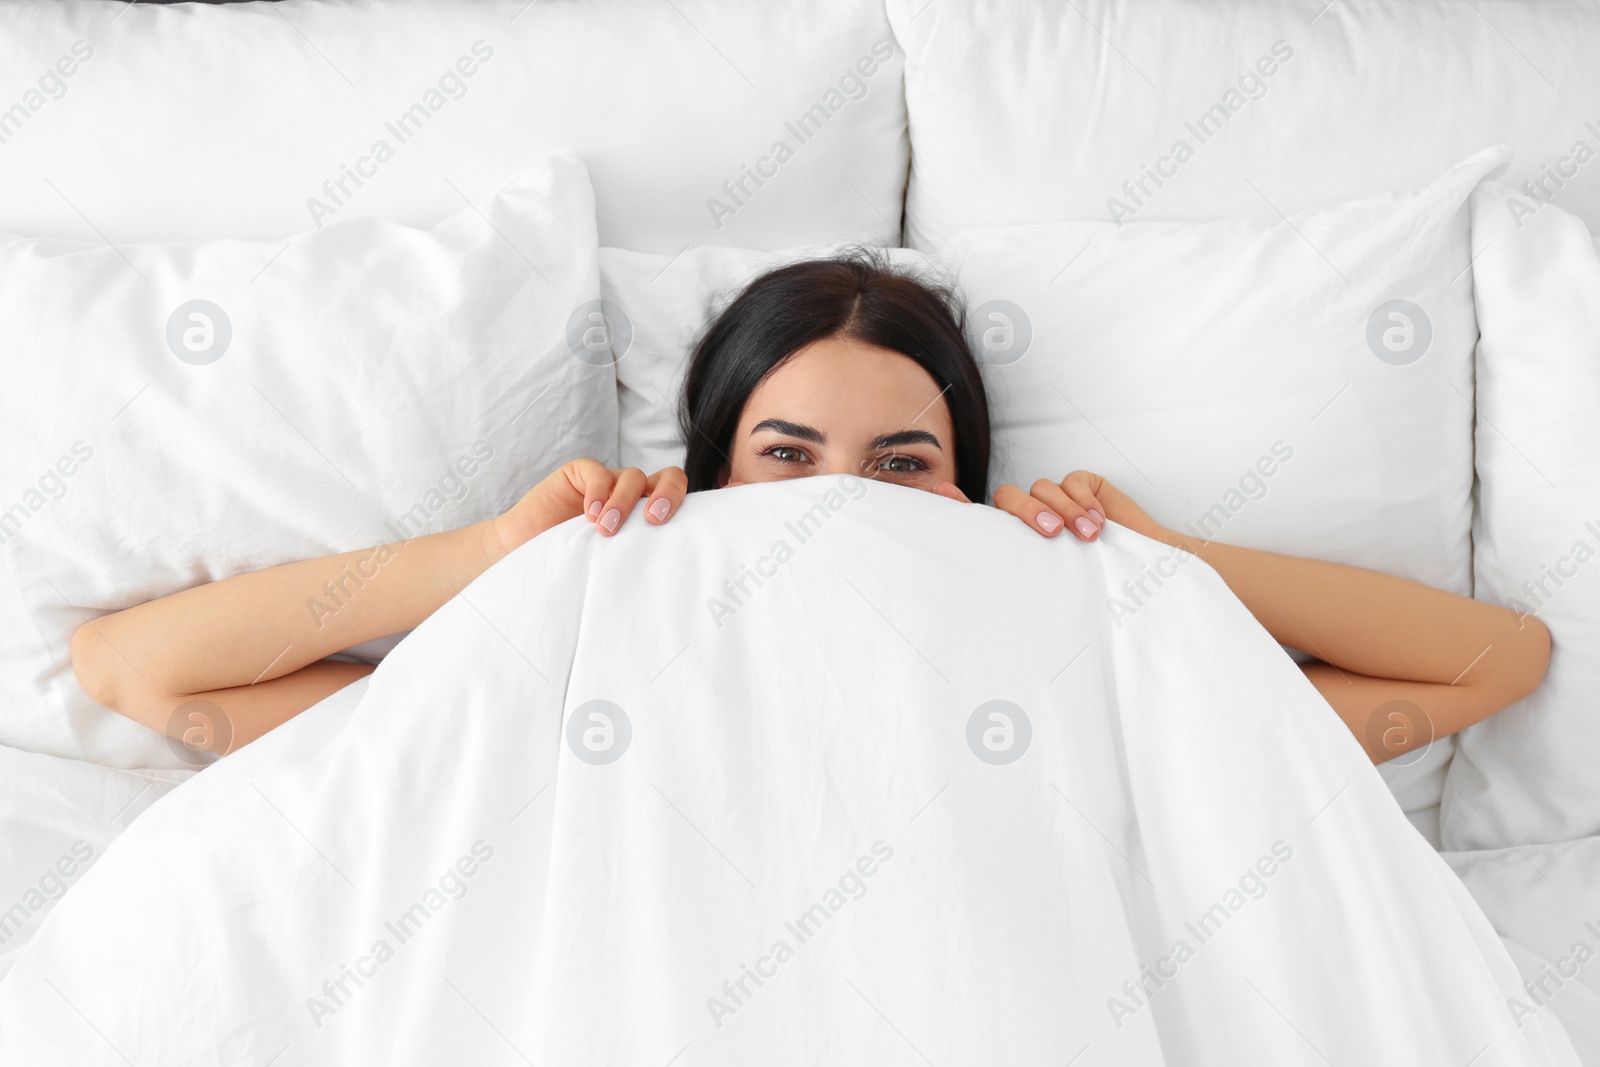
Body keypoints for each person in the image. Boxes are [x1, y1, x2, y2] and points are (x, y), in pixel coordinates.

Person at [70, 249, 1550, 762]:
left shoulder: (1068, 662)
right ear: (708, 477)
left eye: (903, 465)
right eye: (787, 455)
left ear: (967, 486)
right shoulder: (587, 658)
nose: (844, 505)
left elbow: (1494, 662)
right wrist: (486, 557)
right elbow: (137, 671)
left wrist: (1171, 563)